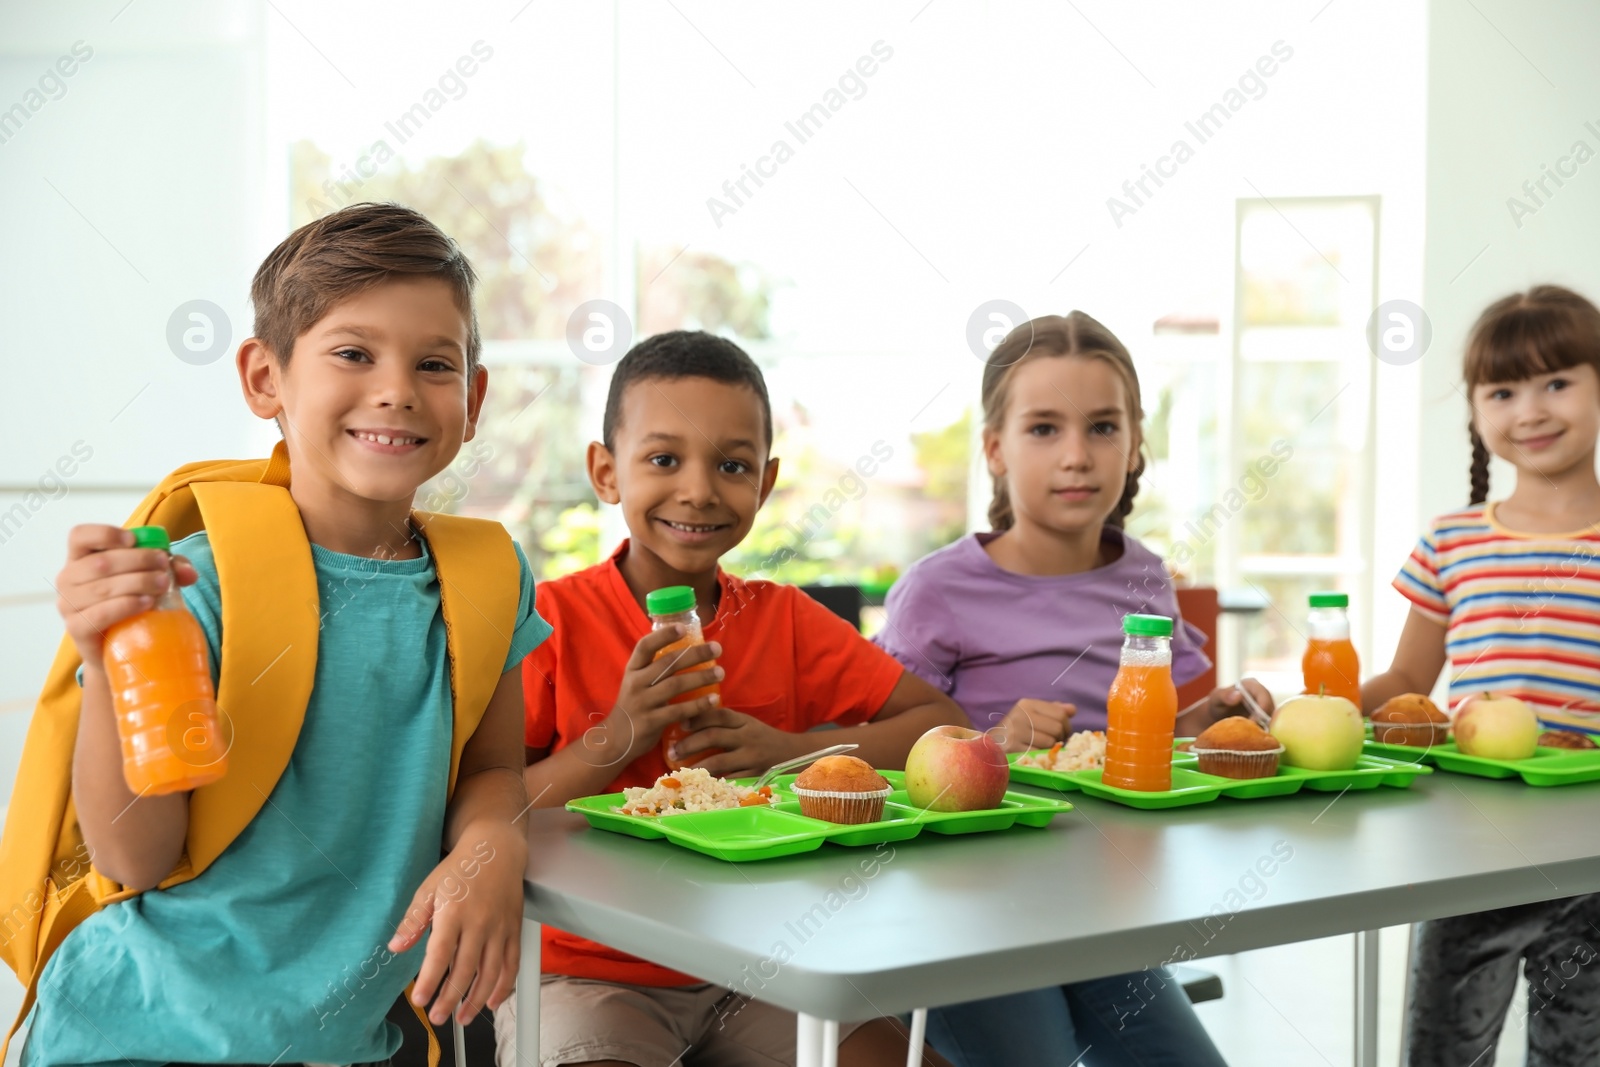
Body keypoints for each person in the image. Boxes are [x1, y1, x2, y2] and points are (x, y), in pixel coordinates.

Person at [19, 203, 550, 1065]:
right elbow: (135, 855)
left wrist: (494, 841)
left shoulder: (490, 575)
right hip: (139, 1034)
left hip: (350, 1041)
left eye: (434, 363)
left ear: (474, 396)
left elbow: (493, 767)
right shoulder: (191, 584)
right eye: (353, 353)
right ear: (266, 378)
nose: (397, 389)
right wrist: (104, 655)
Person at [496, 329, 964, 1067]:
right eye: (662, 459)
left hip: (766, 962)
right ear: (605, 470)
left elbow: (944, 725)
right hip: (584, 968)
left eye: (733, 464)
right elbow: (494, 806)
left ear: (766, 482)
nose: (699, 489)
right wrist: (617, 734)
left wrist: (791, 751)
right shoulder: (547, 622)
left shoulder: (786, 619)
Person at [875, 312, 1266, 1067]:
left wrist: (1201, 721)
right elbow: (889, 773)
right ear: (995, 448)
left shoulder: (1144, 575)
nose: (1079, 456)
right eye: (1045, 429)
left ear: (1136, 444)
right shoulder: (937, 590)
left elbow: (1139, 743)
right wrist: (990, 747)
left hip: (1104, 912)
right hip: (972, 915)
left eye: (1103, 427)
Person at [1363, 284, 1600, 1067]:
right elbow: (1406, 679)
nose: (1529, 408)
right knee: (1439, 1056)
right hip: (1466, 857)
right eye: (1502, 390)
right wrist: (1317, 704)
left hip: (1592, 863)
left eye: (1556, 381)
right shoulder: (1452, 541)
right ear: (1475, 411)